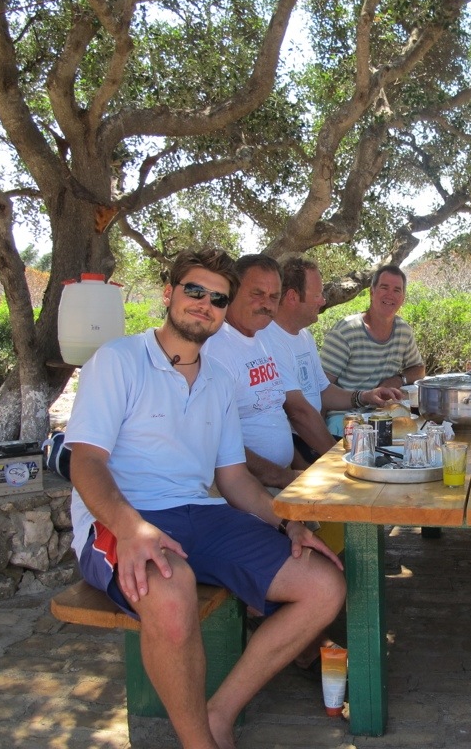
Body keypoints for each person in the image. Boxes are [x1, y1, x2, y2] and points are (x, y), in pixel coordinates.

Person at [66, 248, 346, 749]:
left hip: (201, 513)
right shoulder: (119, 359)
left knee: (324, 585)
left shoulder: (218, 378)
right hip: (121, 519)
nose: (205, 304)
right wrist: (131, 528)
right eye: (194, 290)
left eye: (217, 298)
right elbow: (85, 461)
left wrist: (286, 522)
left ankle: (220, 713)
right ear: (168, 293)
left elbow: (233, 478)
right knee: (173, 591)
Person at [259, 256, 401, 463]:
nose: (323, 301)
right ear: (292, 297)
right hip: (296, 443)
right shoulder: (269, 339)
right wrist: (337, 459)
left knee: (390, 459)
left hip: (311, 439)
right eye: (317, 295)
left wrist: (366, 396)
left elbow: (323, 391)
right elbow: (298, 413)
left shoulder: (304, 335)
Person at [201, 254, 301, 490]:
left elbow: (273, 412)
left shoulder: (263, 336)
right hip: (240, 490)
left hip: (280, 479)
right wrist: (281, 477)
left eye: (274, 297)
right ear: (232, 291)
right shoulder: (213, 347)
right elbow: (212, 438)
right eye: (257, 294)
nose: (267, 304)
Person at [319, 264, 425, 435]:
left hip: (386, 416)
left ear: (403, 298)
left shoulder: (403, 331)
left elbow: (419, 369)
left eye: (397, 290)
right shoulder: (346, 331)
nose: (390, 294)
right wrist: (321, 441)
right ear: (372, 292)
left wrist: (399, 379)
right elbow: (320, 388)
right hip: (346, 420)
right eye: (384, 287)